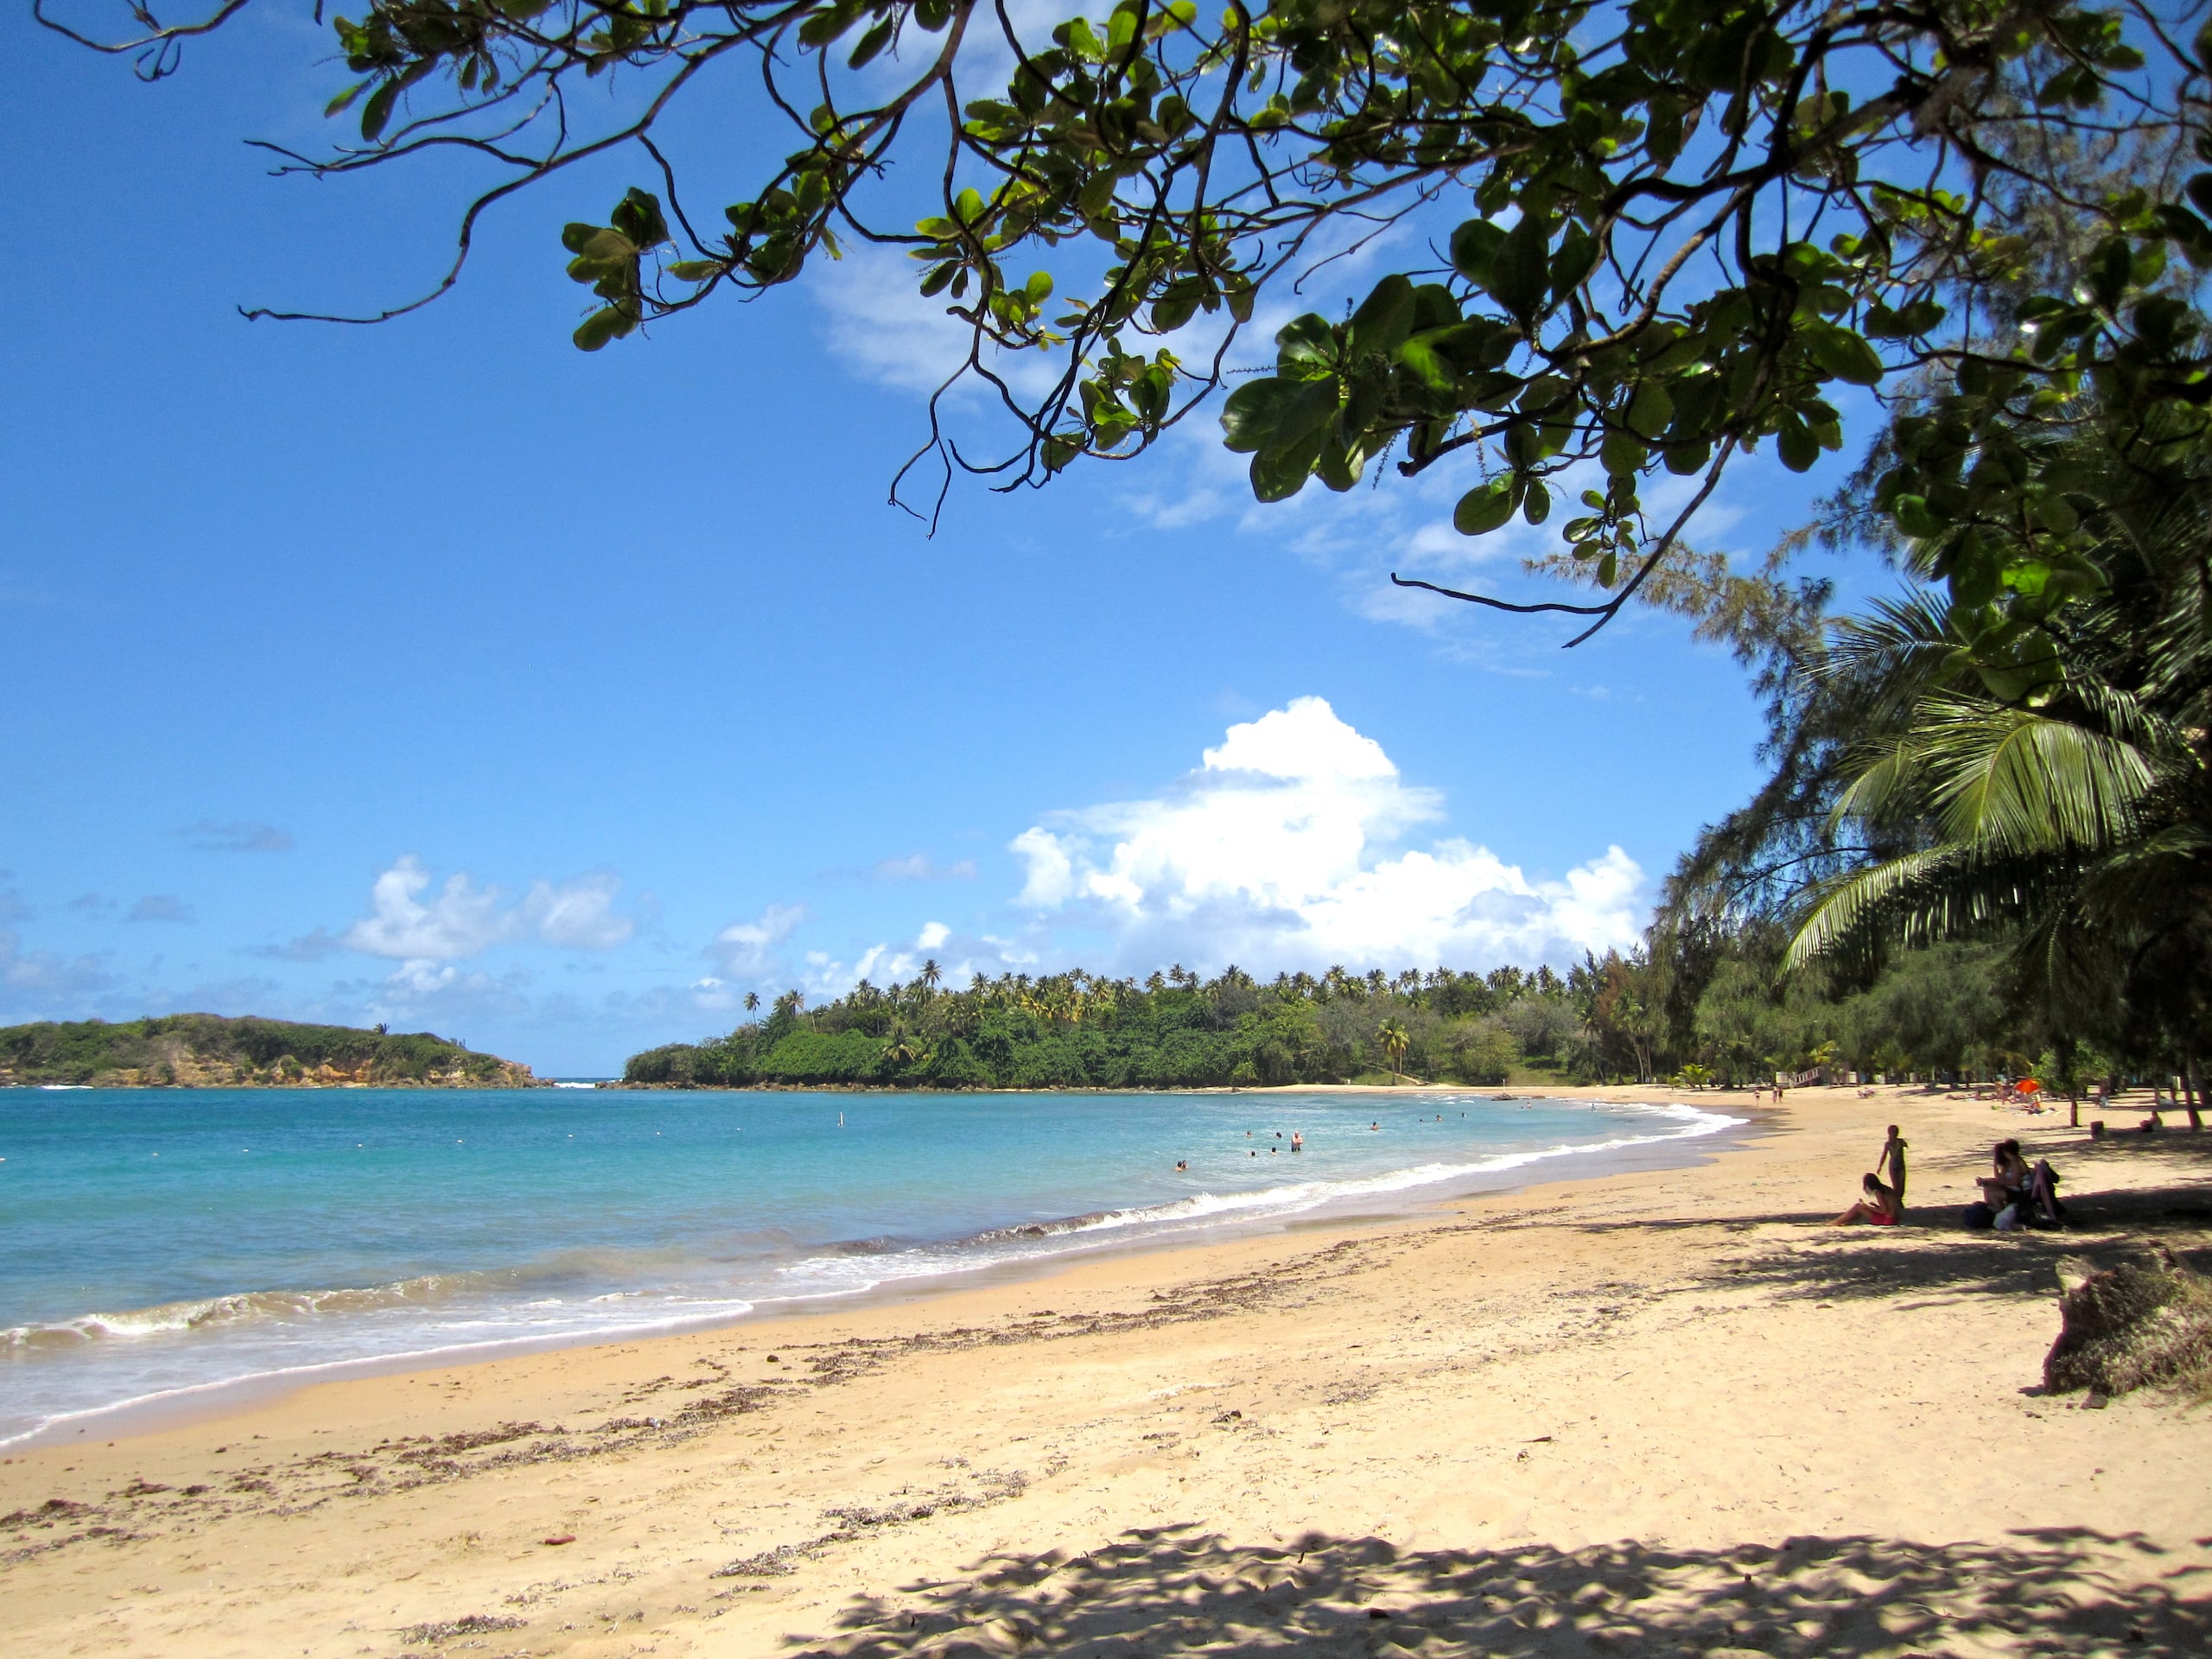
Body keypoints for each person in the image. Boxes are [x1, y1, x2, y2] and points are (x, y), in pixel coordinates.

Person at [1833, 1173, 1902, 1226]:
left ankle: (1837, 1222)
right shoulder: (1887, 1189)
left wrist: (1866, 1206)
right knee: (1860, 1207)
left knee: (1858, 1206)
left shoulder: (1878, 1192)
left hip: (1886, 1221)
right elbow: (1888, 1208)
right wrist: (1875, 1206)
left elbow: (1883, 1211)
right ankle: (1842, 1221)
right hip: (1893, 1219)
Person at [1877, 1124, 1909, 1205]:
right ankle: (1895, 1202)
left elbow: (1905, 1144)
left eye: (1896, 1132)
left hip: (1901, 1166)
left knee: (1902, 1186)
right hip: (1893, 1167)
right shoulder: (1888, 1144)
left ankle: (1898, 1201)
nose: (1895, 1134)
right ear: (1889, 1133)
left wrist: (1905, 1144)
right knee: (1896, 1185)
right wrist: (1880, 1166)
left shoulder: (1900, 1141)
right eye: (1893, 1132)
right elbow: (1884, 1155)